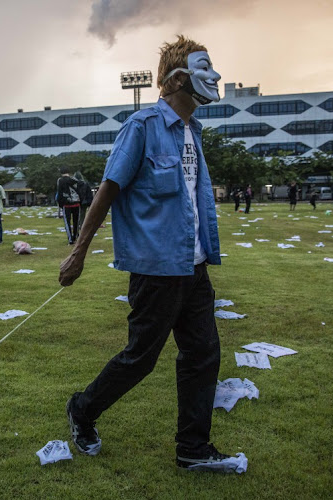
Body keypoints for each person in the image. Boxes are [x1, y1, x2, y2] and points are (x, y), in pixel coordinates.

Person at [59, 35, 232, 470]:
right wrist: (78, 252)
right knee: (141, 358)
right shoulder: (142, 127)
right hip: (156, 270)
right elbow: (108, 189)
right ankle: (82, 408)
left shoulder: (192, 133)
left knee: (203, 354)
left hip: (192, 268)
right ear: (176, 79)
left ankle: (192, 448)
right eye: (203, 67)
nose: (214, 76)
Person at [56, 166, 81, 244]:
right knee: (76, 221)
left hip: (66, 204)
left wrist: (60, 204)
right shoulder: (75, 180)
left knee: (67, 222)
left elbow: (59, 192)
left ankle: (70, 239)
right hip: (76, 203)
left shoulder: (60, 180)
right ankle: (76, 236)